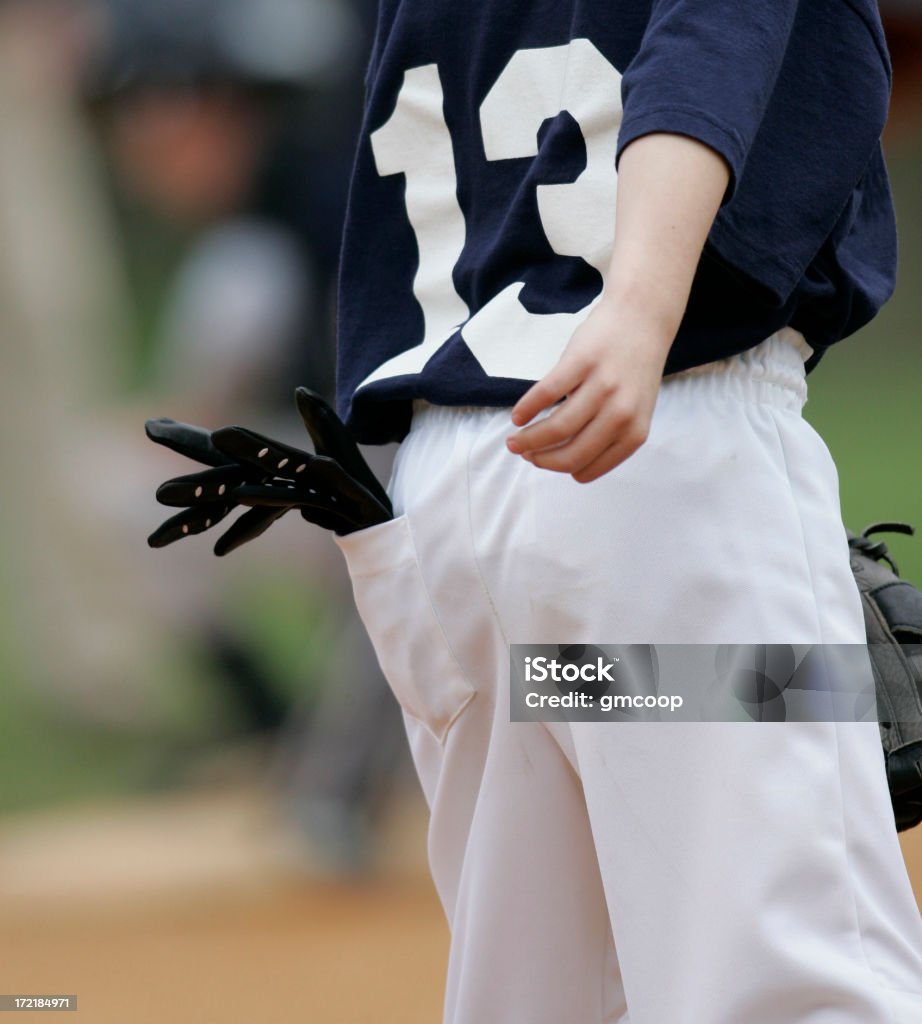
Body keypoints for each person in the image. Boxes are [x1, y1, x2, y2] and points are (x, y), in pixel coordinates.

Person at [330, 1, 922, 1022]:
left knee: (547, 992)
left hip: (446, 524)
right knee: (792, 991)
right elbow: (712, 36)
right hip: (650, 468)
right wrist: (642, 305)